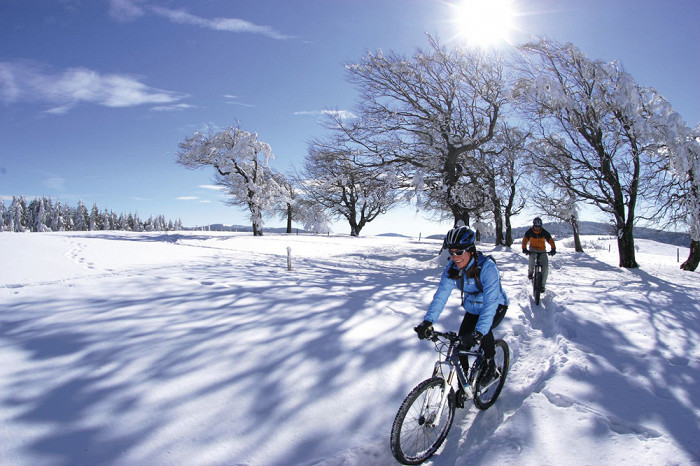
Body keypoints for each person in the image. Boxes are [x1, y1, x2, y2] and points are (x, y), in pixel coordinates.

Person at [414, 226, 509, 405]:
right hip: (473, 308)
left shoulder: (487, 268)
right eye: (451, 252)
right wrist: (428, 321)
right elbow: (441, 295)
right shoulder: (453, 268)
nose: (455, 257)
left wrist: (478, 333)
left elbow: (490, 305)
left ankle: (490, 367)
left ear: (471, 250)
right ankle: (464, 386)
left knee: (483, 330)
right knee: (459, 345)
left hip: (496, 306)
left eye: (459, 252)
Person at [521, 217, 557, 292]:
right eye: (536, 226)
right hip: (533, 249)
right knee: (531, 259)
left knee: (546, 267)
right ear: (533, 225)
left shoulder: (544, 232)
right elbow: (524, 240)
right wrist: (524, 249)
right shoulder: (529, 232)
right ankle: (530, 273)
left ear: (541, 226)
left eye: (538, 227)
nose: (537, 228)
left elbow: (550, 240)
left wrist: (553, 249)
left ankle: (543, 286)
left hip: (542, 250)